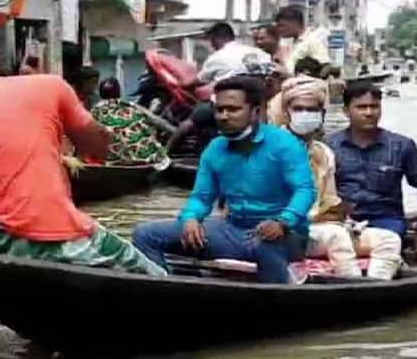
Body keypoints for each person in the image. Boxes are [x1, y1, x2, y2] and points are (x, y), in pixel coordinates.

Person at [132, 76, 317, 284]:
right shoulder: (215, 148)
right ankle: (165, 291)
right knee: (146, 234)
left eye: (233, 109)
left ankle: (277, 302)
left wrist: (283, 221)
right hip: (233, 229)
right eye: (219, 110)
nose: (224, 116)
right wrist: (191, 218)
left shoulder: (284, 143)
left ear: (256, 112)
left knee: (266, 243)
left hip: (285, 234)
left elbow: (305, 190)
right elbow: (201, 198)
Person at [0, 72, 165, 276]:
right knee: (156, 276)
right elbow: (98, 146)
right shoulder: (50, 85)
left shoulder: (92, 105)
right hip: (44, 230)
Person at [281, 76, 402, 279]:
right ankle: (355, 287)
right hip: (287, 231)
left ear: (323, 114)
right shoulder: (271, 147)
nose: (305, 115)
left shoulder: (323, 152)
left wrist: (341, 216)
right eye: (299, 109)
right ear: (287, 113)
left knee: (389, 239)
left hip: (320, 231)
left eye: (312, 110)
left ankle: (376, 287)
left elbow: (329, 202)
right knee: (337, 237)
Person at [327, 82, 417, 261]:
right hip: (339, 222)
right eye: (361, 107)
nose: (369, 113)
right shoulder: (328, 146)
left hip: (386, 222)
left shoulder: (401, 146)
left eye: (374, 106)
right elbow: (312, 189)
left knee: (387, 245)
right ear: (346, 111)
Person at [89, 77, 169, 166]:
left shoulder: (95, 111)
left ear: (101, 93)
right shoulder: (130, 107)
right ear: (118, 92)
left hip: (108, 160)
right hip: (140, 158)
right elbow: (154, 121)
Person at [194, 22, 274, 86]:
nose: (211, 44)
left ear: (216, 39)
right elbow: (271, 71)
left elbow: (200, 80)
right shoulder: (259, 53)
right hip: (261, 99)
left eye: (211, 40)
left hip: (228, 99)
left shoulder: (216, 57)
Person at [274, 6, 330, 74]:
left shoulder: (312, 41)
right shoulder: (291, 43)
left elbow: (325, 67)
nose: (279, 29)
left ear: (294, 23)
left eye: (282, 25)